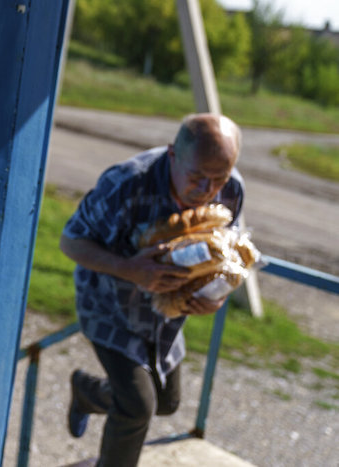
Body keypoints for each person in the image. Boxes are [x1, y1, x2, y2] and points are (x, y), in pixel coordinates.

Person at [60, 113, 244, 467]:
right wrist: (130, 269)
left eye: (218, 179)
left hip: (165, 314)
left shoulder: (232, 187)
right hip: (109, 304)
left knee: (166, 402)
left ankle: (87, 392)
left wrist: (213, 293)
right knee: (137, 406)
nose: (208, 191)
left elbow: (220, 249)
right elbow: (70, 241)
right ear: (173, 155)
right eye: (197, 177)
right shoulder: (126, 183)